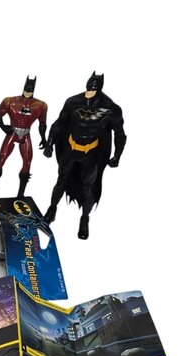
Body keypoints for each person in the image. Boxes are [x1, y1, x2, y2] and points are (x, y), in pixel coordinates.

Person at [43, 72, 127, 239]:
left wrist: (117, 155)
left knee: (87, 186)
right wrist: (50, 143)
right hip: (71, 147)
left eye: (93, 90)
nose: (89, 92)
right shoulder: (73, 102)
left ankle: (84, 218)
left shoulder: (110, 108)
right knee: (61, 180)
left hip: (91, 151)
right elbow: (59, 123)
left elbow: (120, 134)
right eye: (88, 89)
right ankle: (52, 209)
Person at [0, 76, 48, 199]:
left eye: (31, 88)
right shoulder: (10, 101)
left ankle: (20, 194)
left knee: (27, 163)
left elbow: (42, 124)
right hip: (13, 132)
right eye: (27, 87)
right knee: (2, 159)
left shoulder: (41, 105)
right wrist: (4, 128)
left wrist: (43, 139)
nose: (28, 90)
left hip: (26, 134)